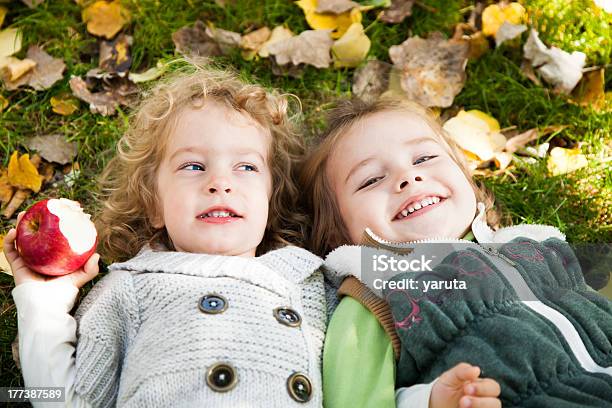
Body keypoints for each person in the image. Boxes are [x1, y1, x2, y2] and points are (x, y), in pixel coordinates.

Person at [5, 60, 327, 407]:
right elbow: (65, 400)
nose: (220, 183)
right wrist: (43, 303)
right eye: (193, 166)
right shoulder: (132, 288)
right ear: (155, 205)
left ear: (270, 200)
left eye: (246, 167)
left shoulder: (309, 277)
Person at [300, 97, 612, 408]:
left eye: (423, 158)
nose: (408, 178)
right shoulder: (374, 292)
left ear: (466, 178)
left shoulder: (534, 245)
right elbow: (355, 400)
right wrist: (429, 401)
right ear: (335, 233)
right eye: (371, 179)